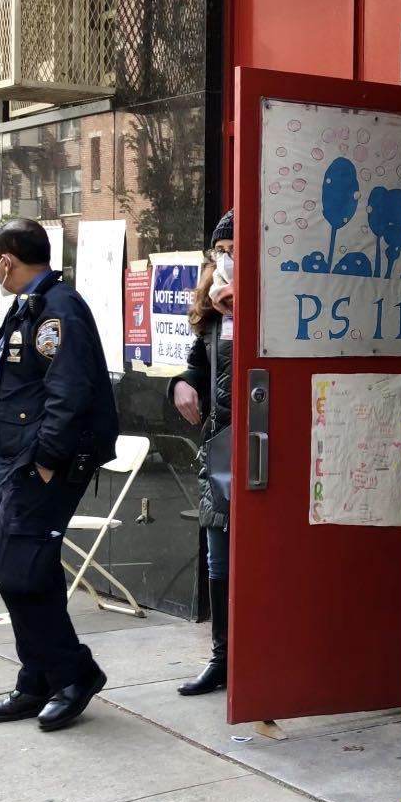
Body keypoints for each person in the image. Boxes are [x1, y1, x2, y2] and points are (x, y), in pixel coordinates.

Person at [0, 219, 119, 732]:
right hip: (14, 460)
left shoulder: (58, 308)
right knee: (34, 573)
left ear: (6, 259)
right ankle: (37, 679)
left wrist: (47, 460)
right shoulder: (32, 306)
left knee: (17, 571)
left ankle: (75, 673)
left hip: (39, 463)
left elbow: (69, 391)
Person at [171, 212, 233, 696]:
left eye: (236, 250)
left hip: (263, 451)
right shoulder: (211, 319)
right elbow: (195, 367)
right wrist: (181, 384)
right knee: (218, 558)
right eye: (221, 252)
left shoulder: (267, 306)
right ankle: (222, 658)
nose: (227, 261)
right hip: (220, 450)